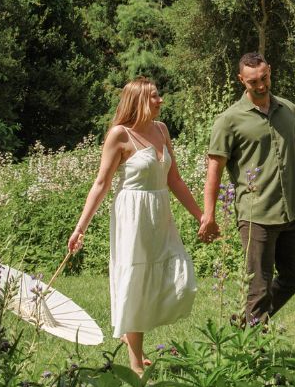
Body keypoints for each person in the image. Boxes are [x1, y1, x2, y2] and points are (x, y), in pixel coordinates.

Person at [68, 78, 200, 372]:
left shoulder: (162, 130)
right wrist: (80, 228)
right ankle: (136, 363)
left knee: (182, 279)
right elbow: (101, 184)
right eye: (154, 97)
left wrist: (200, 215)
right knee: (136, 281)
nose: (160, 101)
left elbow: (174, 179)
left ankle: (131, 336)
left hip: (160, 213)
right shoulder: (119, 135)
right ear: (139, 100)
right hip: (132, 215)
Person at [198, 52, 295, 324]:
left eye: (264, 77)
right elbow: (214, 170)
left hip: (290, 212)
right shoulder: (229, 120)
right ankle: (253, 351)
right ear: (241, 80)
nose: (260, 85)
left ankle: (246, 323)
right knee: (258, 287)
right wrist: (209, 215)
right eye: (252, 81)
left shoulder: (288, 110)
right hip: (255, 215)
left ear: (269, 71)